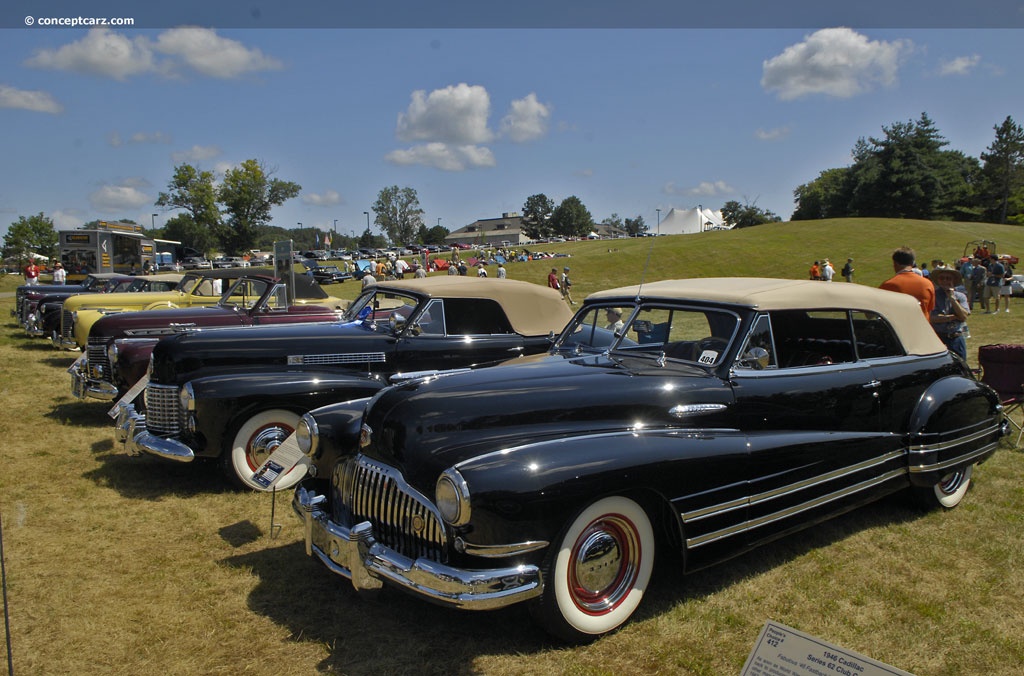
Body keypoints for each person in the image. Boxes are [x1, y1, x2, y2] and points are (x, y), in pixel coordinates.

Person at [928, 266, 970, 360]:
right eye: (942, 278)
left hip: (956, 339)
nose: (945, 281)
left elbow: (963, 316)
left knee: (960, 367)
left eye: (948, 278)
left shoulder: (961, 296)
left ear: (954, 280)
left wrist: (952, 298)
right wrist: (954, 316)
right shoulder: (932, 296)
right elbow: (932, 318)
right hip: (939, 338)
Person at [880, 246, 935, 317]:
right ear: (912, 263)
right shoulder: (928, 284)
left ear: (895, 263)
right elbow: (929, 310)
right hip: (923, 327)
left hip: (898, 327)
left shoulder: (888, 285)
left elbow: (875, 312)